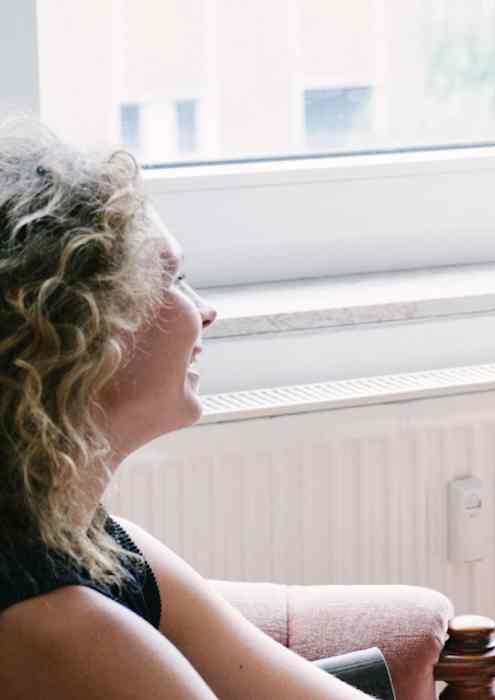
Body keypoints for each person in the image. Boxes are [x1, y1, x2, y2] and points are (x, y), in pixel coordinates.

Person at [0, 123, 376, 698]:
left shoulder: (100, 546)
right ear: (82, 328)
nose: (207, 311)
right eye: (172, 277)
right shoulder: (58, 627)